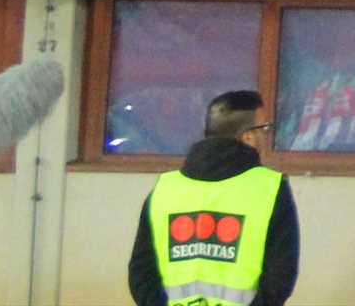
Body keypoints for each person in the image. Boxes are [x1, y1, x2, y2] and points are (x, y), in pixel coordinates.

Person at [128, 88, 300, 306]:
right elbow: (280, 276)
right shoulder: (270, 188)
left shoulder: (166, 189)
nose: (267, 135)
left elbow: (141, 273)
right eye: (264, 128)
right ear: (248, 137)